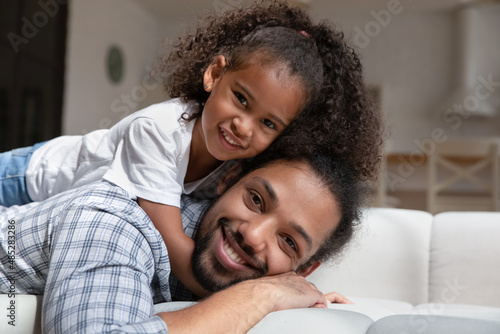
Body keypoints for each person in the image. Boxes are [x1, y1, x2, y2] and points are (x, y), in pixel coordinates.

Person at [0, 0, 382, 299]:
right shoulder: (156, 132)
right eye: (241, 99)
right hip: (28, 176)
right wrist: (267, 294)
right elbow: (179, 256)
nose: (243, 126)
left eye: (268, 123)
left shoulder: (238, 162)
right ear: (214, 74)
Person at [0, 147, 364, 333]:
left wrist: (294, 296)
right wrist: (261, 295)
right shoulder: (116, 221)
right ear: (228, 180)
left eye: (288, 242)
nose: (253, 235)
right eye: (255, 200)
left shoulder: (236, 269)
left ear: (304, 269)